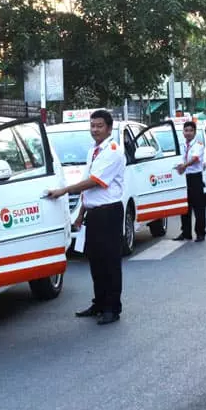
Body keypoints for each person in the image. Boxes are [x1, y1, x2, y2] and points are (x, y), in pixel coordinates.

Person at [45, 109, 125, 325]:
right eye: (92, 126)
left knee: (110, 262)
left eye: (99, 126)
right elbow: (87, 191)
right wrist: (81, 214)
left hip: (109, 212)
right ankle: (99, 302)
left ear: (109, 128)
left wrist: (64, 190)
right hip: (94, 213)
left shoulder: (113, 151)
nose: (95, 130)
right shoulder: (93, 150)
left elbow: (94, 182)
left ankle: (112, 308)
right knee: (95, 261)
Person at [174, 121, 206, 242]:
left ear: (194, 132)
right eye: (186, 130)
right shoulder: (182, 145)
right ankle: (186, 232)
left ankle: (200, 233)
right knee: (184, 206)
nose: (188, 133)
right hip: (184, 177)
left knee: (198, 207)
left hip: (195, 177)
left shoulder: (198, 145)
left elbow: (195, 158)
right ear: (183, 132)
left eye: (190, 130)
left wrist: (184, 166)